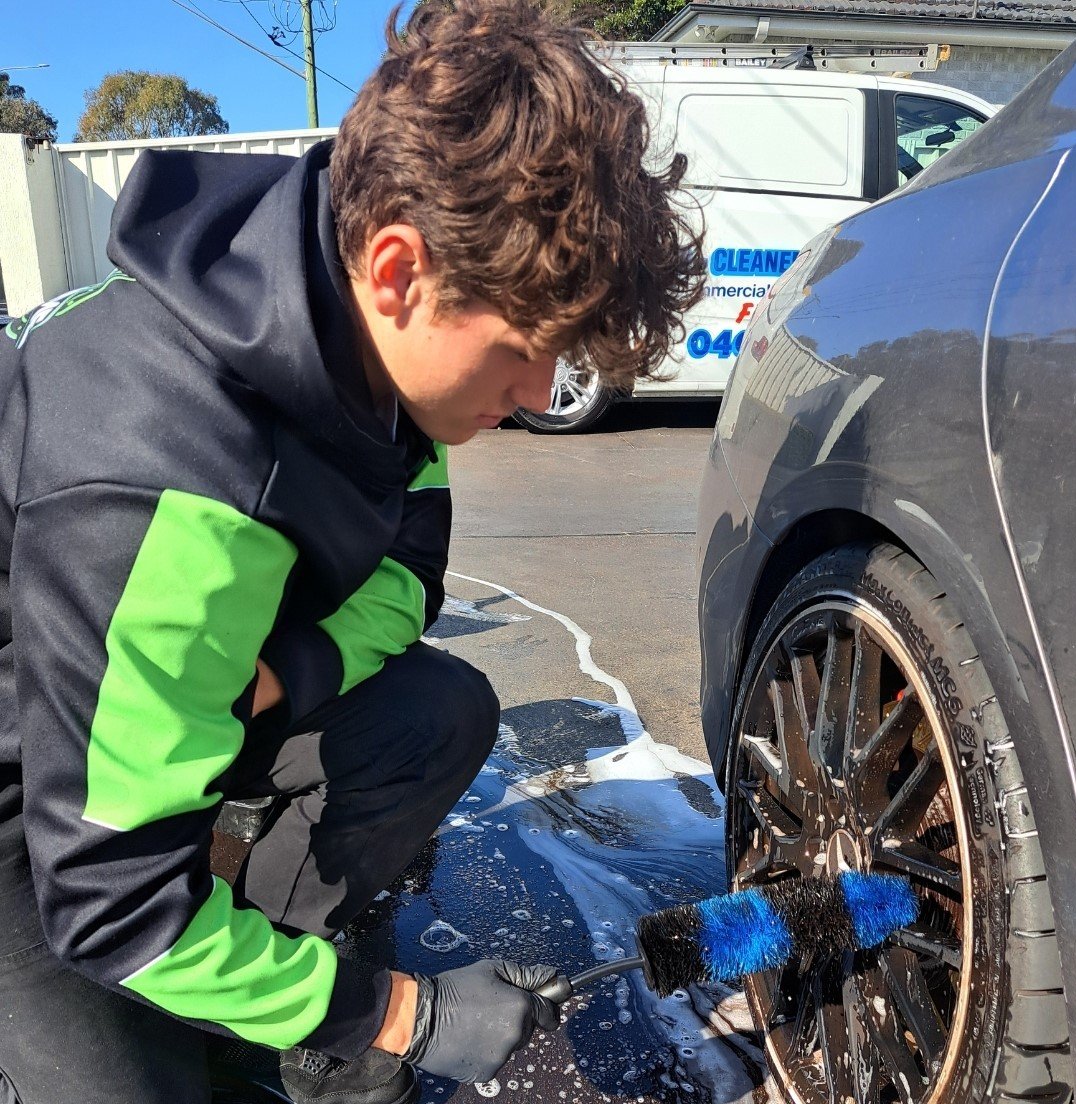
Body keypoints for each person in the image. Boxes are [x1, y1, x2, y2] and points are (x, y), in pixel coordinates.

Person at [0, 2, 704, 1101]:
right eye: (525, 354)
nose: (532, 399)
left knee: (437, 710)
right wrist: (401, 1014)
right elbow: (109, 903)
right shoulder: (159, 476)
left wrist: (293, 675)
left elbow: (409, 575)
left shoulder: (374, 374)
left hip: (191, 707)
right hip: (41, 785)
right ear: (396, 269)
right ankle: (248, 991)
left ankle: (272, 979)